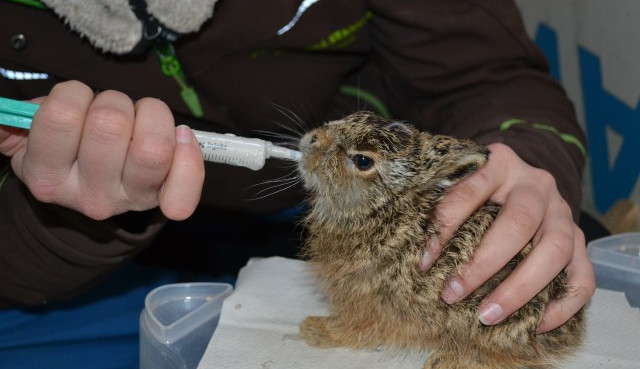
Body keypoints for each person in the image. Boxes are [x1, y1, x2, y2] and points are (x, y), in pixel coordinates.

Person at [0, 0, 595, 366]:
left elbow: (488, 72)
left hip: (331, 205)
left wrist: (529, 162)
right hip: (97, 258)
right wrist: (68, 222)